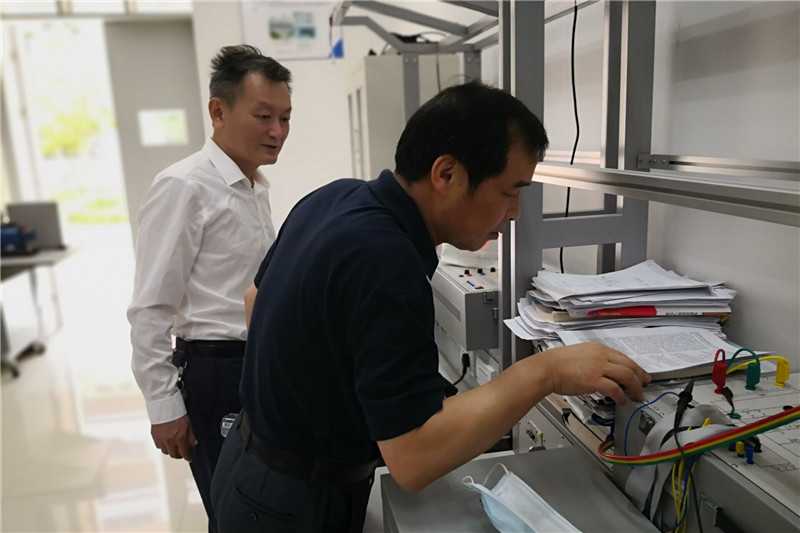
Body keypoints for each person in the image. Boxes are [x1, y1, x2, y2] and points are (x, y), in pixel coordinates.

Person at [211, 81, 650, 532]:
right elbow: (412, 460)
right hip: (293, 503)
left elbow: (256, 301)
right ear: (447, 175)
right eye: (509, 192)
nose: (516, 212)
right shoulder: (387, 259)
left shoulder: (337, 196)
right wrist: (546, 372)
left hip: (246, 463)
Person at [127, 45, 292, 531]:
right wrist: (163, 407)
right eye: (264, 116)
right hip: (215, 373)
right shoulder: (184, 186)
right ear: (218, 112)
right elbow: (150, 308)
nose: (278, 131)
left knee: (262, 506)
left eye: (285, 118)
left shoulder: (254, 187)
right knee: (236, 511)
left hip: (255, 364)